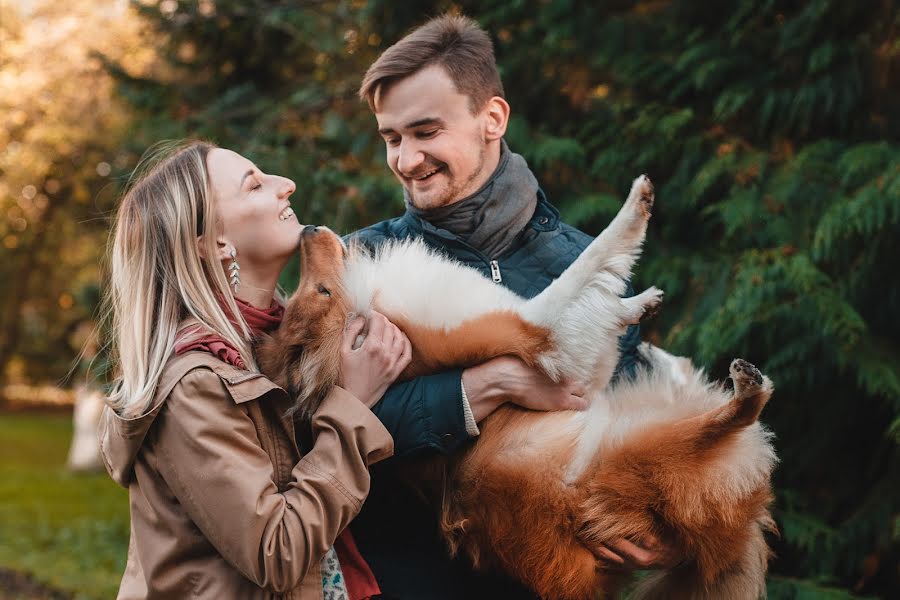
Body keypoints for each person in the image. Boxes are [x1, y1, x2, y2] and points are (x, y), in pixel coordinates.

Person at [347, 15, 679, 599]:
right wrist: (484, 386)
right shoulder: (368, 262)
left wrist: (652, 530)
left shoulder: (583, 263)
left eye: (426, 132)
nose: (405, 159)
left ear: (492, 119)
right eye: (391, 138)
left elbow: (624, 417)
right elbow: (326, 426)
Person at [98, 141, 412, 599]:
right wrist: (352, 407)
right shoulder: (195, 383)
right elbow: (275, 550)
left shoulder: (275, 352)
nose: (286, 185)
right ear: (212, 243)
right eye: (255, 185)